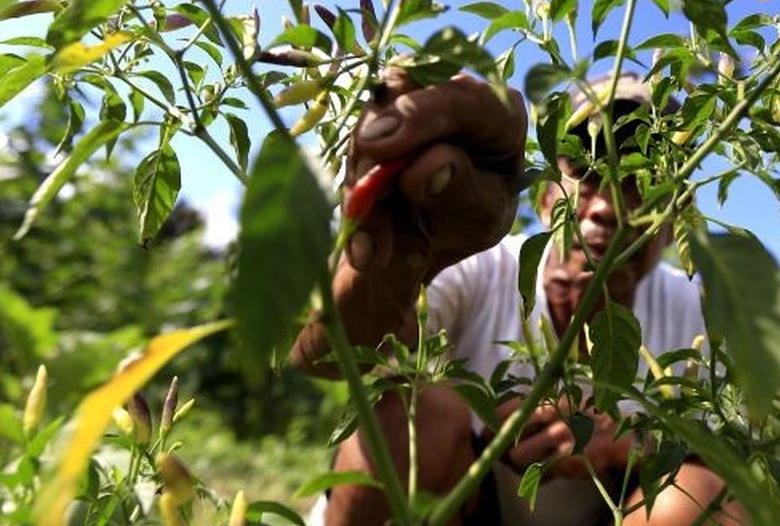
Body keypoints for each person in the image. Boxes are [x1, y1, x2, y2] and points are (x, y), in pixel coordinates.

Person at [291, 70, 744, 525]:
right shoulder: (483, 266)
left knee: (702, 496)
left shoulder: (693, 308)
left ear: (675, 215)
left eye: (640, 182)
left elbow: (735, 464)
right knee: (413, 412)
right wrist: (394, 260)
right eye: (586, 174)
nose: (608, 206)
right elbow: (324, 354)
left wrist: (628, 443)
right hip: (465, 511)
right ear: (547, 199)